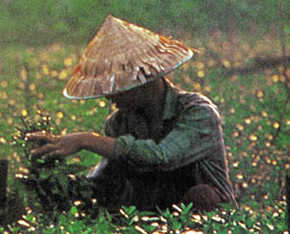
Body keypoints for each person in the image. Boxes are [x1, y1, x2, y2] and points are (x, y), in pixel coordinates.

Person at [27, 15, 235, 212]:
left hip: (206, 225)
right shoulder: (119, 123)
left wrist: (86, 140)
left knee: (203, 195)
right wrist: (61, 185)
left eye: (117, 88)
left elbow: (163, 156)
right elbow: (104, 178)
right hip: (153, 219)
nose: (109, 97)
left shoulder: (198, 112)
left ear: (144, 82)